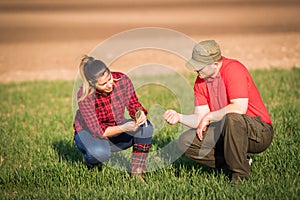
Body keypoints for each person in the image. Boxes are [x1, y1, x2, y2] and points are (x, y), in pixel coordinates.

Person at [164, 40, 274, 183]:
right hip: (228, 130)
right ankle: (238, 163)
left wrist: (210, 116)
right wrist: (179, 117)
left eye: (200, 66)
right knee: (186, 141)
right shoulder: (200, 81)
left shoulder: (234, 69)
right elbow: (200, 118)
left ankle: (240, 177)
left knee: (231, 118)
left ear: (215, 64)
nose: (196, 70)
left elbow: (238, 108)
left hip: (258, 132)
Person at [73, 55, 153, 181]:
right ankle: (90, 161)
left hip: (116, 127)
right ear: (91, 84)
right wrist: (123, 128)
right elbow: (98, 130)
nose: (109, 85)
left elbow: (134, 104)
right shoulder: (85, 95)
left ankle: (137, 173)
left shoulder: (122, 80)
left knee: (146, 128)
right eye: (103, 84)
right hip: (89, 133)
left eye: (109, 78)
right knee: (100, 153)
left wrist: (139, 113)